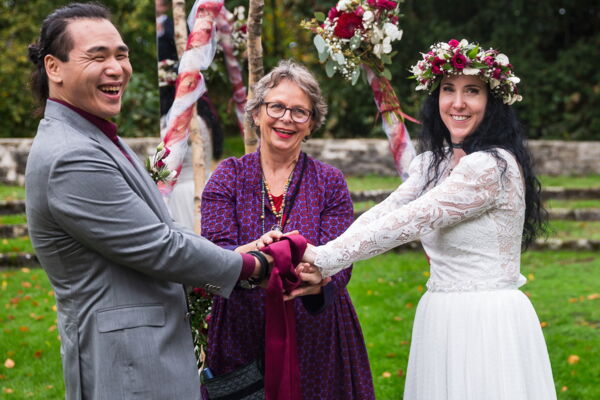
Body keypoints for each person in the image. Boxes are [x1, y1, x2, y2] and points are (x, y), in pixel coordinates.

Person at [24, 4, 317, 399]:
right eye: (97, 56)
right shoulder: (70, 156)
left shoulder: (95, 135)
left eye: (121, 54)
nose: (117, 68)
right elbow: (159, 247)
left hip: (149, 352)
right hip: (128, 361)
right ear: (53, 68)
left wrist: (234, 253)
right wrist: (252, 265)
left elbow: (161, 228)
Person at [302, 39, 557, 399]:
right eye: (448, 90)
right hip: (440, 313)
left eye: (473, 91)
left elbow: (414, 220)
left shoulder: (490, 166)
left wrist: (324, 258)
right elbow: (388, 211)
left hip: (487, 319)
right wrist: (324, 253)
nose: (457, 103)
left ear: (493, 102)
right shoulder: (430, 163)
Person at [200, 60, 376, 399]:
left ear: (311, 125)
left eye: (300, 112)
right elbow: (214, 253)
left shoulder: (329, 182)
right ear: (256, 114)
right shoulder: (228, 177)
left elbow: (342, 255)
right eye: (277, 106)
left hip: (317, 332)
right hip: (241, 330)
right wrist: (254, 255)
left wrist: (319, 281)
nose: (286, 119)